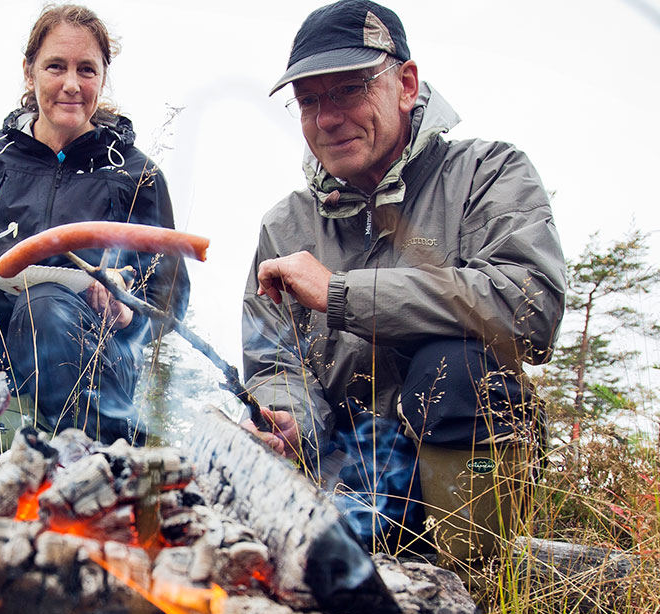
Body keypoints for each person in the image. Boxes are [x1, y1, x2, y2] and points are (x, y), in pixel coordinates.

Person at [242, 0, 567, 567]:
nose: (326, 118)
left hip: (467, 465)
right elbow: (273, 360)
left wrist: (342, 294)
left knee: (454, 369)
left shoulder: (487, 173)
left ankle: (474, 578)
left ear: (407, 85)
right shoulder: (285, 225)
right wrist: (294, 423)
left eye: (348, 90)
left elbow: (529, 305)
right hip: (349, 469)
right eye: (309, 101)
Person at [0, 4, 188, 447]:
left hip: (89, 360)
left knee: (47, 304)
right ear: (29, 71)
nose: (71, 84)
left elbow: (170, 295)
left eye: (86, 69)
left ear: (103, 77)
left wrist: (128, 311)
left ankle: (81, 458)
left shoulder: (135, 176)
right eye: (56, 66)